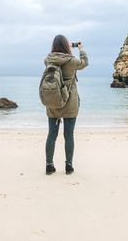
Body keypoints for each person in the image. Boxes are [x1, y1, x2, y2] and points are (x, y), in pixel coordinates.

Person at [44, 35, 89, 175]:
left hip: (54, 102)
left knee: (52, 135)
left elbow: (60, 60)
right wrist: (80, 49)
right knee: (69, 135)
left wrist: (66, 51)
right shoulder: (71, 61)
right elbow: (84, 62)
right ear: (65, 45)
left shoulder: (48, 60)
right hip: (70, 103)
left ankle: (49, 165)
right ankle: (69, 166)